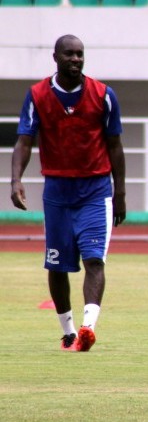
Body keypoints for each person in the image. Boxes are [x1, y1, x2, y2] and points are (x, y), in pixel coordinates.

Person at [10, 34, 126, 352]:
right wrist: (15, 180)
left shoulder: (103, 95)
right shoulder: (37, 95)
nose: (76, 59)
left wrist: (121, 193)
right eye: (69, 54)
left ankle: (88, 328)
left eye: (80, 54)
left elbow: (115, 146)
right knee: (57, 265)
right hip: (57, 191)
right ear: (56, 57)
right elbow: (24, 140)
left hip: (95, 189)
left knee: (94, 261)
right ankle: (68, 331)